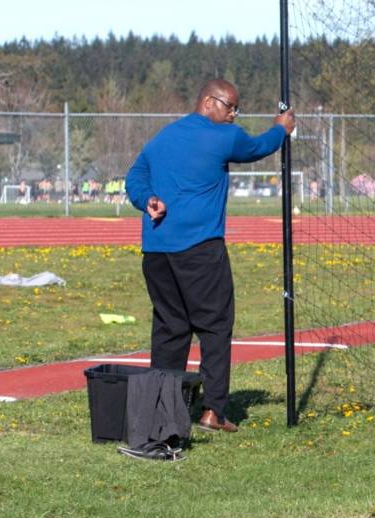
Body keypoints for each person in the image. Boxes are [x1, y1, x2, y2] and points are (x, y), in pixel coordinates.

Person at [126, 79, 295, 433]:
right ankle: (213, 410)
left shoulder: (163, 137)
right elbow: (257, 146)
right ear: (208, 102)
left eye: (237, 108)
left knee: (170, 329)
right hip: (200, 249)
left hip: (156, 251)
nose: (234, 114)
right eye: (230, 106)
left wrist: (147, 199)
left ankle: (165, 409)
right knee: (215, 325)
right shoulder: (224, 136)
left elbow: (135, 175)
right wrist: (281, 129)